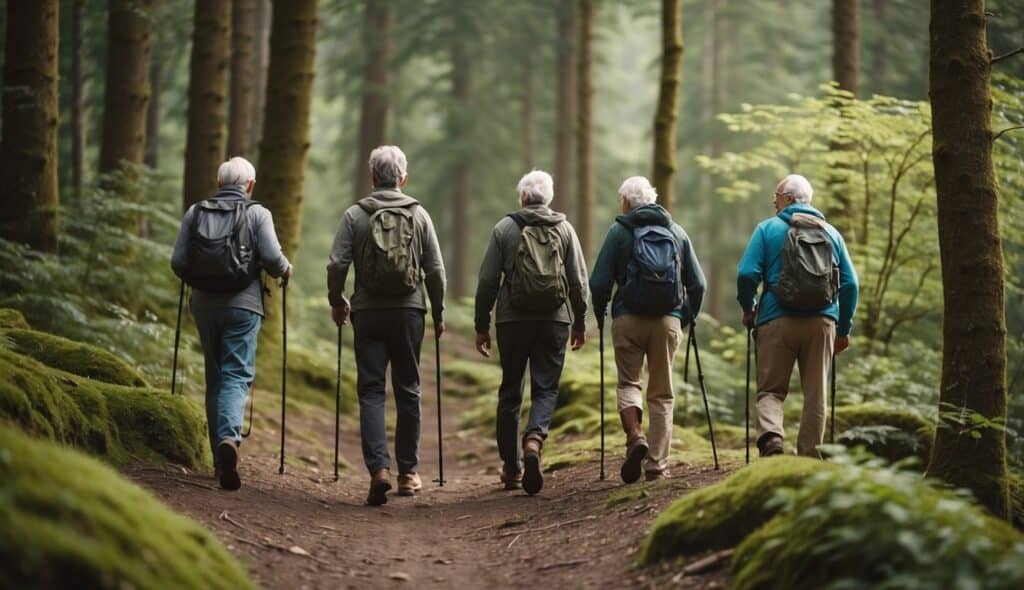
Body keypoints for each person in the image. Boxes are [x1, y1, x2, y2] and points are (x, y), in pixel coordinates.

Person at [327, 145, 446, 506]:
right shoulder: (419, 215)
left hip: (368, 313)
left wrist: (337, 300)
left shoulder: (354, 215)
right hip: (410, 311)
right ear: (403, 178)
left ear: (372, 177)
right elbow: (435, 270)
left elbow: (336, 265)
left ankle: (379, 469)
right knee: (408, 389)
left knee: (372, 391)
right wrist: (438, 311)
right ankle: (408, 474)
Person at [171, 156, 292, 491]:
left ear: (218, 181)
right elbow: (271, 257)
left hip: (204, 305)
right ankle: (228, 439)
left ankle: (218, 459)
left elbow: (178, 261)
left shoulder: (196, 212)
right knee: (236, 375)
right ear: (249, 185)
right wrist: (285, 269)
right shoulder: (257, 213)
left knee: (216, 375)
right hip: (243, 305)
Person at [473, 170, 589, 495]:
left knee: (510, 390)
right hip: (555, 320)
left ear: (523, 197)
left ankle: (511, 468)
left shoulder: (505, 228)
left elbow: (486, 282)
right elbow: (579, 282)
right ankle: (534, 440)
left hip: (512, 320)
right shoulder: (564, 229)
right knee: (546, 388)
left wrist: (482, 326)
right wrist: (580, 321)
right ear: (548, 198)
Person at [590, 176, 706, 483]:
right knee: (661, 394)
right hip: (667, 320)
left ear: (626, 202)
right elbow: (699, 283)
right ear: (653, 198)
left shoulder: (619, 232)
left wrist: (600, 313)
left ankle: (635, 435)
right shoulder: (676, 231)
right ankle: (657, 466)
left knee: (629, 383)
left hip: (628, 318)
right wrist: (685, 317)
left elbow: (599, 281)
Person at [736, 174, 859, 458]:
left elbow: (746, 274)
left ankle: (772, 439)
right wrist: (843, 328)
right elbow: (850, 284)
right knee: (816, 395)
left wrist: (749, 308)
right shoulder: (832, 233)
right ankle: (809, 459)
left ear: (788, 199)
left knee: (770, 390)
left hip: (775, 320)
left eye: (776, 197)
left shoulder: (767, 229)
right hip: (822, 323)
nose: (773, 203)